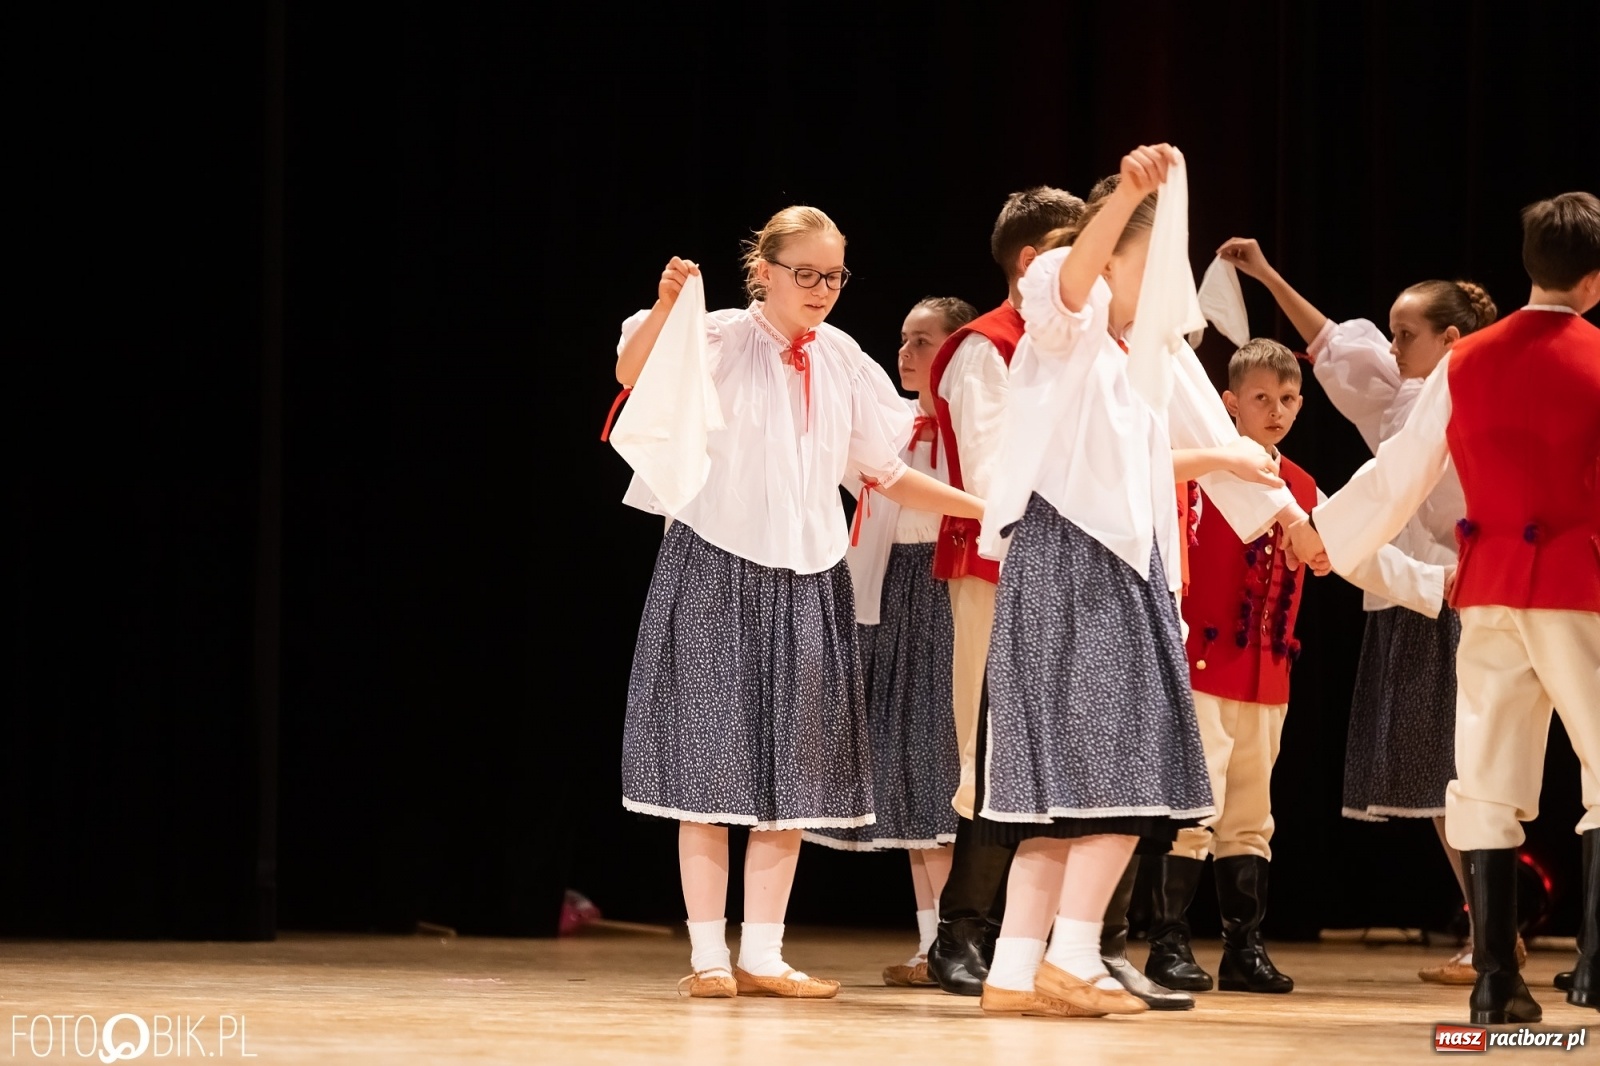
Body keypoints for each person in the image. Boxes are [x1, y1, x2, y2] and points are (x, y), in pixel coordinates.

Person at [970, 145, 1308, 1019]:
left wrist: (1222, 456)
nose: (1167, 284)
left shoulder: (1123, 357)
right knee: (1121, 776)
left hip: (1106, 562)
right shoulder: (1068, 315)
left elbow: (1131, 459)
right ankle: (1074, 959)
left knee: (1070, 795)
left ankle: (1016, 971)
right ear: (1112, 252)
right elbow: (1070, 279)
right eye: (1152, 263)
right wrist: (1126, 197)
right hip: (1081, 562)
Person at [613, 206, 985, 999]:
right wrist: (669, 306)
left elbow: (883, 470)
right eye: (806, 273)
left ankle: (764, 954)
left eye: (835, 275)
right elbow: (632, 374)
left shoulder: (846, 358)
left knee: (795, 772)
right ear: (765, 272)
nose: (822, 289)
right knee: (707, 770)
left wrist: (981, 508)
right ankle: (711, 956)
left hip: (812, 576)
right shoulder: (714, 335)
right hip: (717, 565)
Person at [1289, 191, 1600, 1024]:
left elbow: (1401, 471)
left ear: (1528, 265)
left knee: (1486, 781)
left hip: (1489, 586)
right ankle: (1595, 969)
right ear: (1594, 282)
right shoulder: (1598, 359)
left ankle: (1496, 981)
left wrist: (1329, 538)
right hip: (1581, 587)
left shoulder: (1466, 364)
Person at [1220, 237, 1503, 983]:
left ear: (1451, 340)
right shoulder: (1402, 389)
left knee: (1467, 771)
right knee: (1443, 777)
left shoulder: (1467, 391)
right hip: (1412, 593)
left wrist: (1325, 540)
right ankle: (1485, 926)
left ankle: (1493, 931)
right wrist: (1265, 274)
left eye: (1404, 334)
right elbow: (1332, 345)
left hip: (1455, 592)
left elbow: (1390, 483)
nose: (1389, 345)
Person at [1149, 339, 1450, 996]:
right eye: (1261, 398)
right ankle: (1167, 941)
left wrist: (1432, 585)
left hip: (1267, 670)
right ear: (1228, 405)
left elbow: (1357, 553)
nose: (1276, 410)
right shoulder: (1196, 476)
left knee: (1252, 813)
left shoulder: (1303, 485)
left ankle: (1243, 947)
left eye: (1287, 399)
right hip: (1199, 662)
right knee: (1194, 805)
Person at [924, 187, 1088, 996]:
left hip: (1065, 572)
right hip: (1000, 570)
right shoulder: (987, 346)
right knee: (988, 748)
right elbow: (993, 478)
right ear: (1034, 262)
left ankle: (1061, 942)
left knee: (1061, 755)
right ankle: (960, 935)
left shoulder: (1071, 344)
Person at [806, 296, 978, 988]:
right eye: (903, 341)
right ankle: (932, 943)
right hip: (888, 597)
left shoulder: (975, 430)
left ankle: (966, 937)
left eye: (923, 342)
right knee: (906, 767)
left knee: (944, 765)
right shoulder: (888, 428)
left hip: (947, 592)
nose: (906, 355)